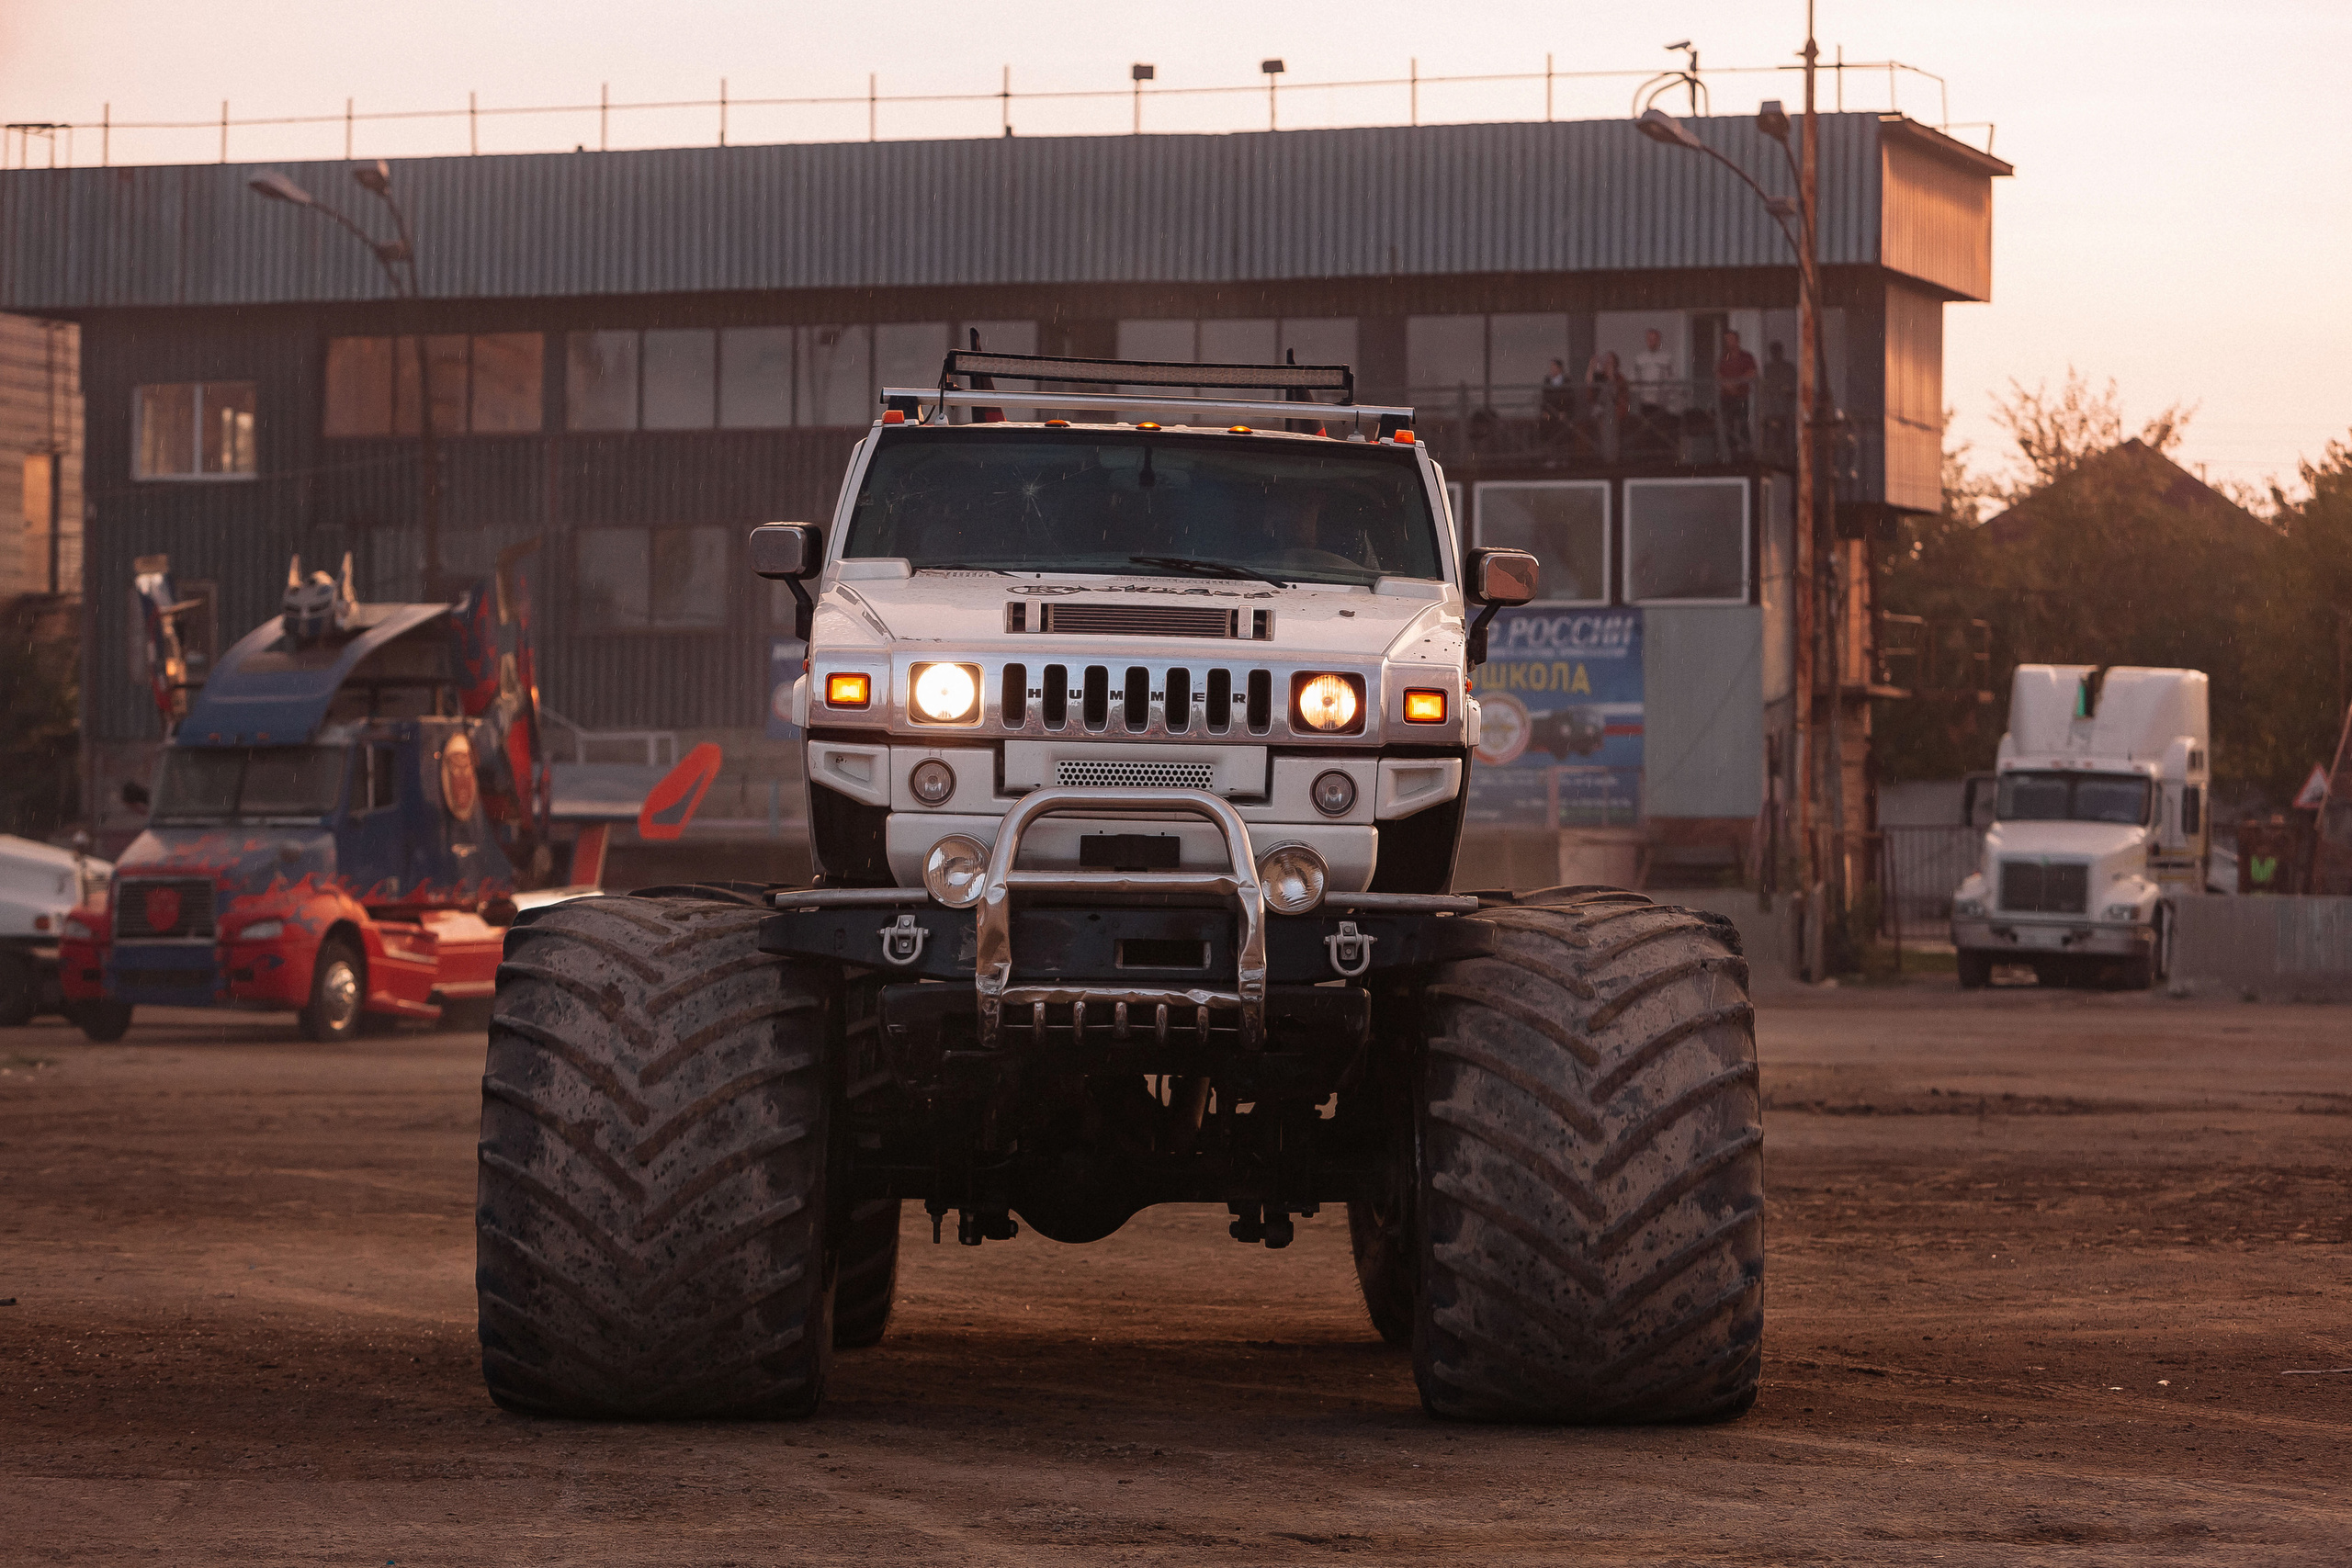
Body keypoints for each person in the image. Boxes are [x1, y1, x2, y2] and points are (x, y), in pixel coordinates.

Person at [1715, 329, 1759, 457]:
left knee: (1742, 423)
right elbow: (1718, 375)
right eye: (1727, 340)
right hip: (1726, 397)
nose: (1729, 342)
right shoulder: (1723, 357)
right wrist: (1729, 386)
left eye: (1731, 339)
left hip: (1741, 396)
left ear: (1737, 340)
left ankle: (1746, 453)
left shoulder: (1746, 356)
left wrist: (1737, 384)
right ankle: (1731, 454)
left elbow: (1752, 372)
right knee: (1728, 425)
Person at [1759, 339, 1798, 464]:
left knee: (1787, 439)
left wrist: (1787, 391)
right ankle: (1773, 461)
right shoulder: (1767, 369)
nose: (1776, 354)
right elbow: (1764, 389)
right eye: (1774, 351)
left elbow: (1794, 388)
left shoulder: (1789, 368)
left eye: (1778, 351)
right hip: (1772, 411)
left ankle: (1787, 461)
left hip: (1786, 410)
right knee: (1772, 438)